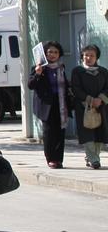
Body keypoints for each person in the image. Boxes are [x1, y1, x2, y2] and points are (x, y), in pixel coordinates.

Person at [28, 41, 71, 169]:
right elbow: (31, 85)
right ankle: (51, 159)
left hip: (61, 104)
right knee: (49, 133)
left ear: (59, 54)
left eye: (55, 52)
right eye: (50, 52)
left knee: (60, 133)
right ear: (45, 54)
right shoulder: (39, 68)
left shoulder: (61, 68)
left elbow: (65, 86)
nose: (52, 54)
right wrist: (38, 73)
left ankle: (59, 159)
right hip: (46, 105)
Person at [71, 44, 108, 169]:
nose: (89, 58)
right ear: (82, 56)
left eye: (92, 55)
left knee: (99, 133)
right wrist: (91, 100)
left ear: (97, 57)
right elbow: (76, 88)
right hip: (83, 106)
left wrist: (100, 99)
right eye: (86, 55)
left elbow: (107, 88)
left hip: (100, 106)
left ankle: (93, 156)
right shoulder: (78, 71)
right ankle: (94, 159)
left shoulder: (103, 71)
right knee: (87, 133)